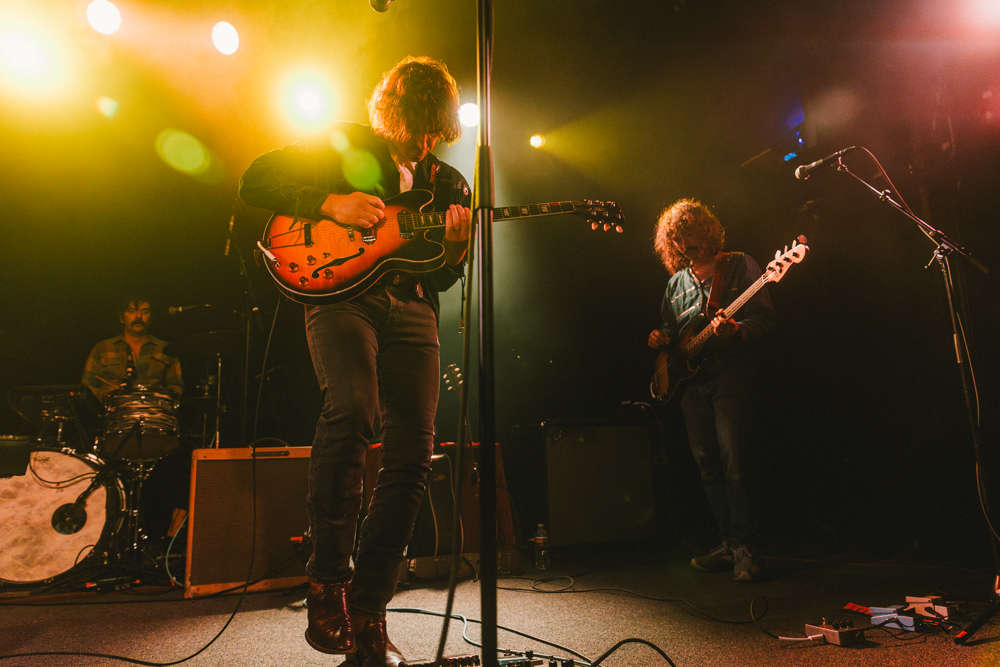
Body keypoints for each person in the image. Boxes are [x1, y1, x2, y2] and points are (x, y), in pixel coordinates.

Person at [239, 56, 472, 666]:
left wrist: (455, 251)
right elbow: (256, 179)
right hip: (343, 298)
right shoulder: (342, 143)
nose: (425, 139)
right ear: (393, 112)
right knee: (351, 411)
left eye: (435, 128)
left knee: (413, 456)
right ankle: (326, 582)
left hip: (414, 309)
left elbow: (442, 275)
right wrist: (330, 202)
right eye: (417, 123)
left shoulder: (450, 184)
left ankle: (369, 614)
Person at [648, 199, 775, 581]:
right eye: (675, 238)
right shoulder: (675, 283)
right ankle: (727, 543)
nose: (682, 243)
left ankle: (746, 548)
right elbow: (672, 330)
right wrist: (660, 338)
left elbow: (764, 318)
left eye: (687, 234)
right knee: (708, 468)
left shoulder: (739, 265)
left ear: (704, 230)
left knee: (735, 462)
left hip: (729, 376)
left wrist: (735, 330)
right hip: (691, 385)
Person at [82, 297, 183, 402]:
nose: (138, 316)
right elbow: (88, 387)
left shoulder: (166, 349)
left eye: (145, 312)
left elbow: (176, 387)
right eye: (132, 311)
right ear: (121, 318)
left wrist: (158, 397)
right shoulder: (102, 348)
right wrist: (108, 396)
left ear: (151, 319)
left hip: (153, 410)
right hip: (113, 410)